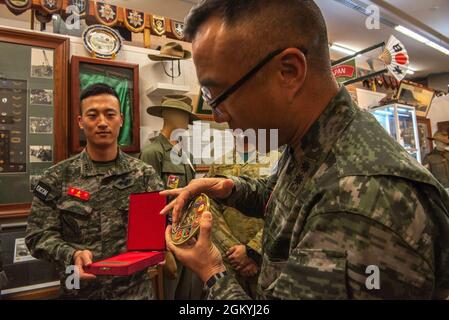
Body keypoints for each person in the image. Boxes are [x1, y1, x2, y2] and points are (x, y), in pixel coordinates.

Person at [160, 0, 449, 300]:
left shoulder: (358, 200)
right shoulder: (311, 141)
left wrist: (212, 272)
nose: (217, 115)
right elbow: (282, 199)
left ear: (288, 72)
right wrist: (230, 189)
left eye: (217, 95)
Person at [25, 83, 164, 299]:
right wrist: (72, 255)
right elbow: (37, 235)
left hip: (134, 292)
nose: (102, 123)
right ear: (80, 122)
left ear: (121, 120)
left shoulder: (144, 175)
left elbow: (163, 225)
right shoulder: (56, 177)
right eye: (92, 115)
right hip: (78, 291)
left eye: (110, 115)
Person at [140, 95, 203, 300]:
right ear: (168, 115)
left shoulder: (185, 155)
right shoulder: (152, 153)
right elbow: (149, 208)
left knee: (188, 296)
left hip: (188, 237)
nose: (186, 121)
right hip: (168, 242)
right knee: (167, 294)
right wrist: (163, 251)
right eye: (183, 115)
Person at [206, 143, 281, 298]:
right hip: (230, 262)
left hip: (267, 259)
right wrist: (233, 251)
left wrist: (252, 251)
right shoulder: (219, 164)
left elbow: (281, 210)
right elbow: (209, 207)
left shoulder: (277, 160)